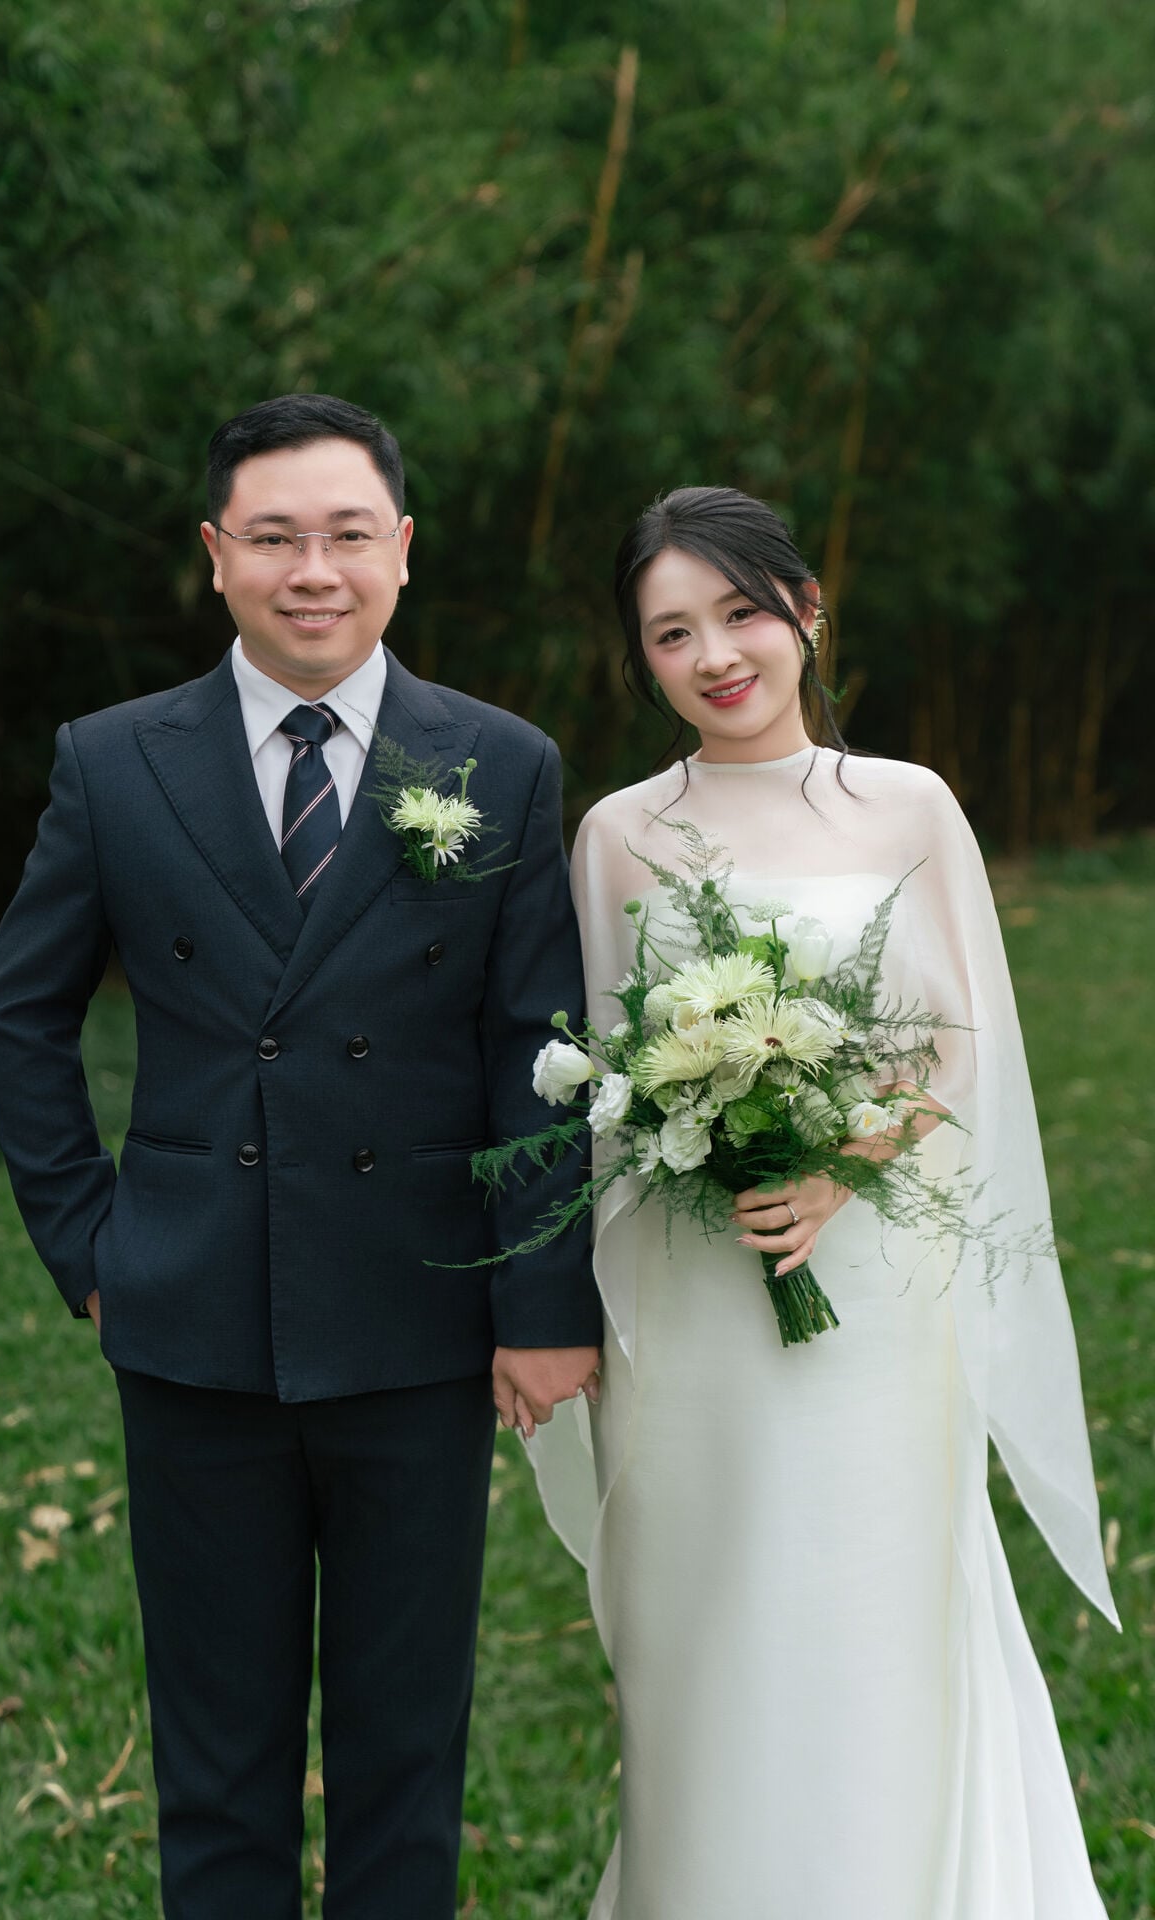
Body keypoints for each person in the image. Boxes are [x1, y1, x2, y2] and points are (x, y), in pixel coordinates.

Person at [0, 393, 602, 1920]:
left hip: (419, 1318)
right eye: (273, 538)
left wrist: (540, 1304)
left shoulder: (502, 762)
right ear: (216, 555)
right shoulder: (114, 761)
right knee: (217, 1762)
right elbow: (19, 1014)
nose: (311, 570)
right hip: (190, 1320)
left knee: (405, 1756)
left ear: (403, 549)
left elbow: (540, 1050)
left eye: (344, 535)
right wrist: (89, 1248)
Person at [530, 486, 1118, 1918]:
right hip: (689, 1297)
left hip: (870, 1297)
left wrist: (838, 1172)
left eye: (740, 613)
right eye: (672, 633)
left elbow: (961, 1046)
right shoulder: (618, 833)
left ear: (807, 612)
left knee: (863, 1611)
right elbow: (595, 1072)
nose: (715, 655)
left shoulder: (906, 804)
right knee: (707, 1624)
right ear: (642, 660)